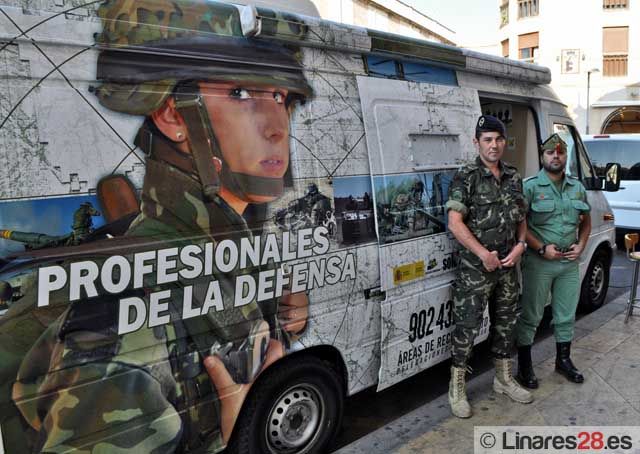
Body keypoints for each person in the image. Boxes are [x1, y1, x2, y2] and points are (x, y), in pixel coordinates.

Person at [8, 0, 311, 452]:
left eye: (281, 97)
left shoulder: (215, 246)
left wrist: (278, 314)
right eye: (243, 94)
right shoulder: (120, 314)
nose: (277, 127)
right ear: (173, 116)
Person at [445, 115, 532, 418]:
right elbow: (454, 223)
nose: (494, 145)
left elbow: (521, 218)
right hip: (475, 270)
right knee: (466, 328)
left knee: (506, 324)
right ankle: (456, 389)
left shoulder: (513, 176)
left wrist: (521, 246)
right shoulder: (465, 177)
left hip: (508, 266)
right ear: (476, 142)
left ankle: (503, 378)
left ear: (505, 142)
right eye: (487, 139)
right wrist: (483, 254)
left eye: (498, 139)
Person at [515, 134, 591, 388]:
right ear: (542, 156)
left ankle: (563, 360)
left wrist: (581, 245)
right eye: (550, 153)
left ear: (565, 156)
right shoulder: (530, 186)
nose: (555, 156)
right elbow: (520, 225)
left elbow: (586, 219)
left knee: (566, 314)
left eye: (559, 153)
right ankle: (524, 368)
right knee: (532, 315)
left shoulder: (577, 187)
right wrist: (540, 249)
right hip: (540, 262)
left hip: (569, 262)